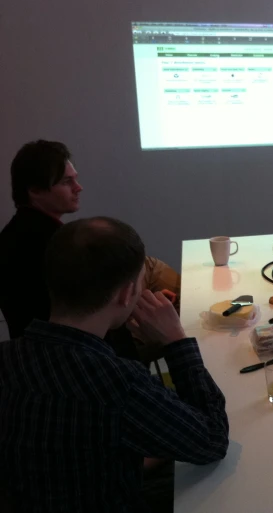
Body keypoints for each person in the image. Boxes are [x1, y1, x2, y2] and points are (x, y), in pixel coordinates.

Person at [0, 217, 229, 512]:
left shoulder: (6, 358)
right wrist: (177, 342)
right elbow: (212, 441)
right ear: (126, 293)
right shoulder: (118, 383)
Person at [0, 140, 181, 340]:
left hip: (42, 346)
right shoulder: (57, 246)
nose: (79, 188)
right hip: (96, 347)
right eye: (66, 182)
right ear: (34, 190)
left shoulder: (14, 234)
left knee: (149, 267)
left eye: (74, 179)